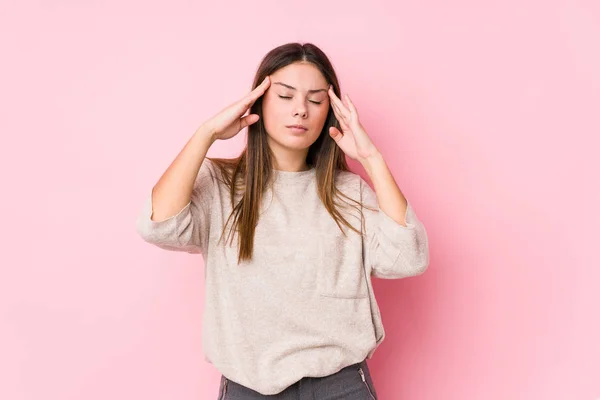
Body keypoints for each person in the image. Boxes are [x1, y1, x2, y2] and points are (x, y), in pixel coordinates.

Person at [135, 42, 429, 399]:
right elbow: (159, 224)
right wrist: (206, 133)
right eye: (286, 96)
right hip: (248, 388)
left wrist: (372, 158)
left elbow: (409, 258)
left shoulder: (350, 193)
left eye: (316, 100)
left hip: (341, 386)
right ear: (258, 102)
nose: (301, 111)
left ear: (330, 112)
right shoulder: (219, 184)